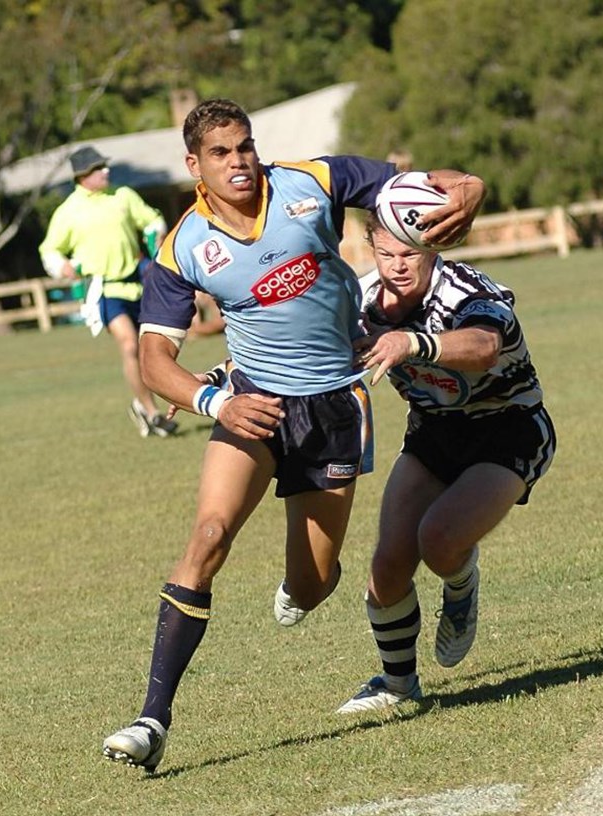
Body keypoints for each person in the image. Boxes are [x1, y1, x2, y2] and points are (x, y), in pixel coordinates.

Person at [101, 98, 486, 771]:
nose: (240, 162)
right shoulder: (182, 247)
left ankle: (302, 587)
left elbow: (420, 185)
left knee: (310, 585)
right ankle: (151, 720)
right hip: (250, 405)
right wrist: (212, 401)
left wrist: (470, 187)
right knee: (208, 536)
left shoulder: (314, 182)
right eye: (221, 153)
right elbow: (155, 361)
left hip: (334, 406)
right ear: (194, 165)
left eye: (245, 146)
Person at [335, 213, 556, 714]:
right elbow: (303, 345)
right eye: (386, 254)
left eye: (409, 254)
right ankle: (397, 686)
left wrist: (412, 342)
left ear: (432, 245)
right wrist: (222, 375)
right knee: (387, 568)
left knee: (438, 540)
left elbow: (483, 346)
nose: (397, 267)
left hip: (509, 427)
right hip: (434, 432)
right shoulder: (362, 301)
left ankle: (460, 583)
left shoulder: (464, 290)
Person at [39, 146, 177, 437]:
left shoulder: (123, 195)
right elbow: (50, 249)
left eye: (104, 166)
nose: (106, 172)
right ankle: (152, 413)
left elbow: (151, 219)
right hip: (103, 288)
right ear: (82, 176)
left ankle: (144, 406)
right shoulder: (68, 211)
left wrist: (157, 231)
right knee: (129, 346)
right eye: (98, 168)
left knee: (154, 349)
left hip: (138, 284)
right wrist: (60, 266)